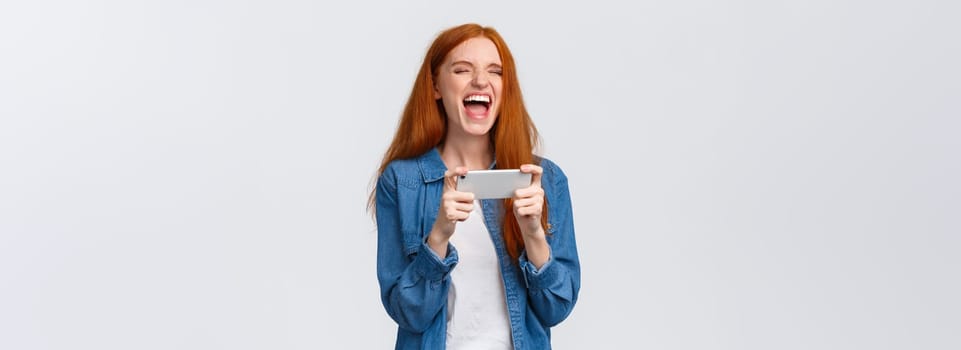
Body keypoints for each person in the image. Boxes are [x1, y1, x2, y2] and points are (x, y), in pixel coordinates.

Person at [369, 23, 580, 350]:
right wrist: (438, 235)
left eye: (495, 72)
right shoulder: (402, 181)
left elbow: (557, 307)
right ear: (436, 85)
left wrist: (534, 233)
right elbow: (408, 313)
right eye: (462, 69)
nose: (481, 80)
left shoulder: (544, 179)